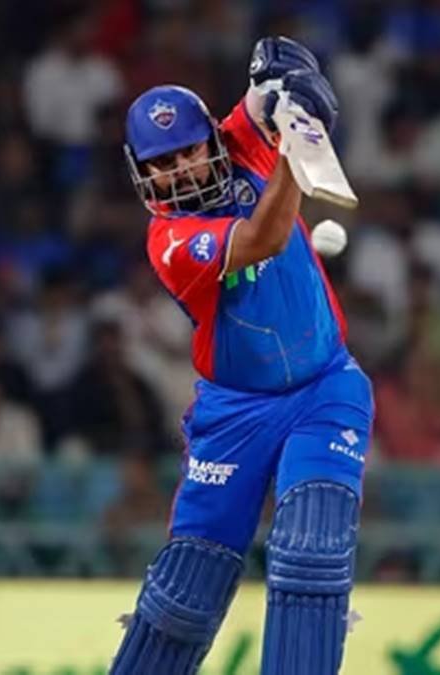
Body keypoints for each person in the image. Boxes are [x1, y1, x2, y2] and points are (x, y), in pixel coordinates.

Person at [111, 37, 373, 675]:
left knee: (311, 553)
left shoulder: (238, 142)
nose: (179, 171)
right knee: (184, 597)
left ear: (211, 140)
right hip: (234, 412)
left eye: (188, 152)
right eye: (161, 163)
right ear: (141, 171)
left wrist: (291, 85)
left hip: (325, 387)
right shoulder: (170, 240)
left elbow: (267, 93)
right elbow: (262, 238)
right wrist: (292, 153)